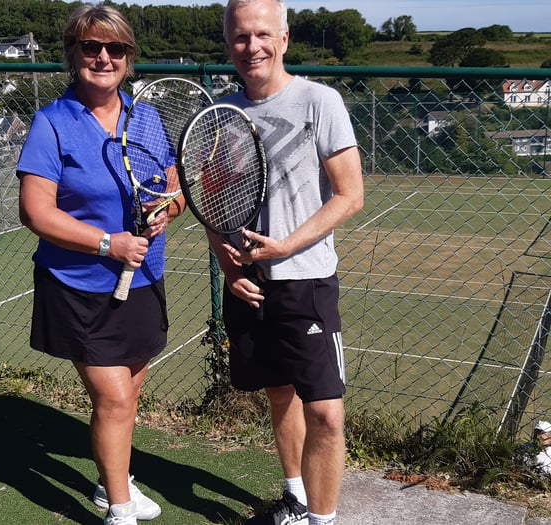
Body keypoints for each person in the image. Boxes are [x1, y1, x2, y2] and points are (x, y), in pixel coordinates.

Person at [17, 5, 183, 524]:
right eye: (91, 46)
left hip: (143, 280)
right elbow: (34, 211)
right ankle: (118, 509)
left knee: (129, 391)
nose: (103, 57)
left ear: (129, 58)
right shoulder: (52, 124)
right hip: (78, 284)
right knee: (113, 396)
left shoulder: (146, 118)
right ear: (74, 54)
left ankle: (111, 478)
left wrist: (164, 212)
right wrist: (106, 244)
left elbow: (174, 191)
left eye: (116, 49)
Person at [209, 1, 365, 524]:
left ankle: (323, 521)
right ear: (227, 42)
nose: (251, 46)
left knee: (325, 411)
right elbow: (212, 200)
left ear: (284, 38)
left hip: (307, 282)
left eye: (261, 35)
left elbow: (349, 195)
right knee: (279, 394)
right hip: (250, 285)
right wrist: (229, 267)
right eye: (239, 37)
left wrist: (285, 247)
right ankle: (296, 500)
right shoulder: (222, 114)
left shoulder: (320, 102)